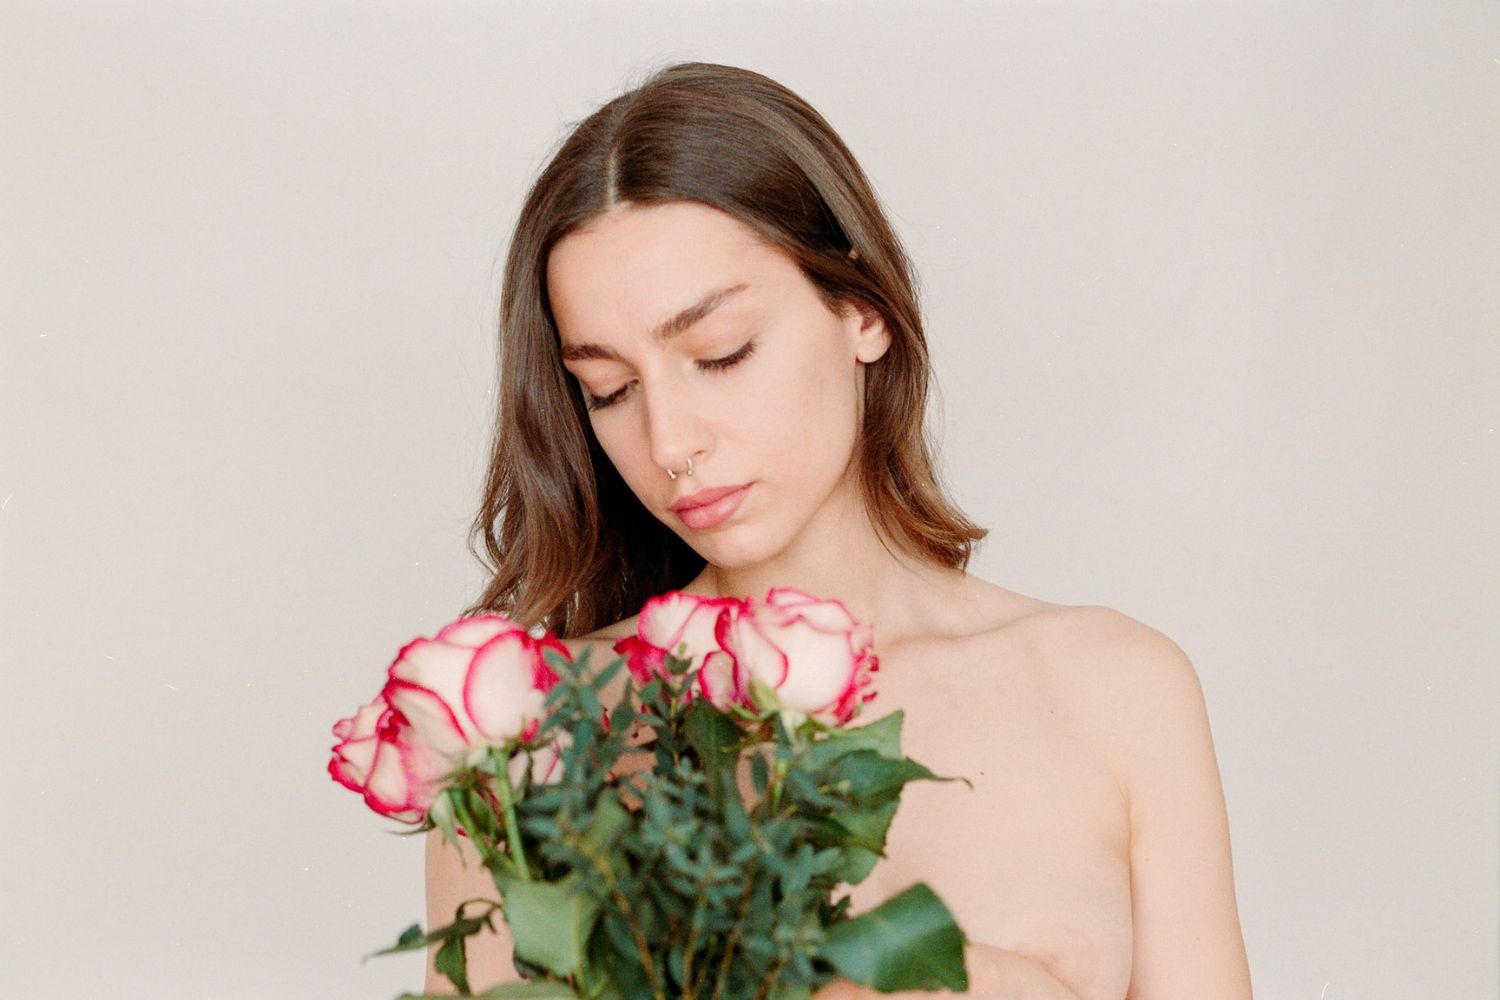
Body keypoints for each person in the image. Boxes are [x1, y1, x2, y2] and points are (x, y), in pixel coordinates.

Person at [425, 61, 1252, 999]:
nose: (670, 443)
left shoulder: (1112, 687)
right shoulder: (525, 731)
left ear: (860, 310)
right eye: (609, 391)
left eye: (720, 353)